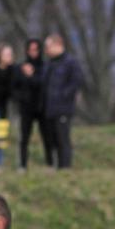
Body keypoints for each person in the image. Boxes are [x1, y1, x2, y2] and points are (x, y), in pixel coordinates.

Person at [42, 34, 83, 169]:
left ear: (57, 45)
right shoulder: (49, 64)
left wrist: (62, 95)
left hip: (63, 108)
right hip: (49, 109)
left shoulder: (70, 62)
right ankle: (54, 166)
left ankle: (65, 167)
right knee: (51, 140)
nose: (46, 50)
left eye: (48, 47)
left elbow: (76, 82)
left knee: (62, 139)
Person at [12, 39, 52, 170]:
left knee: (47, 137)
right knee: (24, 138)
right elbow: (14, 88)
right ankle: (22, 165)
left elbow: (43, 85)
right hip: (26, 108)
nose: (33, 52)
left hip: (42, 107)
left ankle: (49, 164)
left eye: (35, 49)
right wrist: (20, 99)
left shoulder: (45, 67)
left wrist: (30, 75)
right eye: (30, 50)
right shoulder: (20, 68)